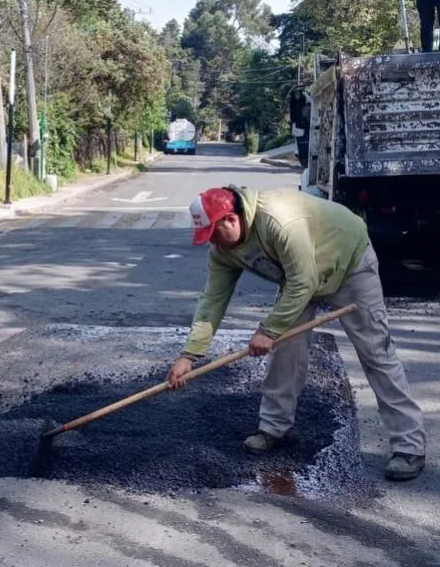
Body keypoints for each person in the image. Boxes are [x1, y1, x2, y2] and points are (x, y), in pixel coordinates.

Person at [166, 186, 426, 481]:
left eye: (214, 232)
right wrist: (189, 355)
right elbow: (212, 299)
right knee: (284, 352)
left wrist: (268, 329)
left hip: (347, 262)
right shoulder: (223, 250)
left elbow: (305, 280)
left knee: (376, 353)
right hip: (298, 277)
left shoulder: (279, 220)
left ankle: (409, 446)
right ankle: (273, 427)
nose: (213, 242)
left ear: (231, 219)